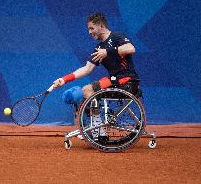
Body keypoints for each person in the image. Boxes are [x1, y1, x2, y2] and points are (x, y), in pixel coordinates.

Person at [53, 12, 139, 140]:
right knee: (86, 92)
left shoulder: (117, 37)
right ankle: (98, 129)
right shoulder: (98, 48)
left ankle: (98, 130)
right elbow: (86, 69)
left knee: (88, 90)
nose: (89, 32)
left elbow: (131, 48)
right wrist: (64, 79)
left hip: (127, 81)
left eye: (91, 28)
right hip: (114, 81)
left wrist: (108, 52)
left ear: (101, 26)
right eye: (88, 29)